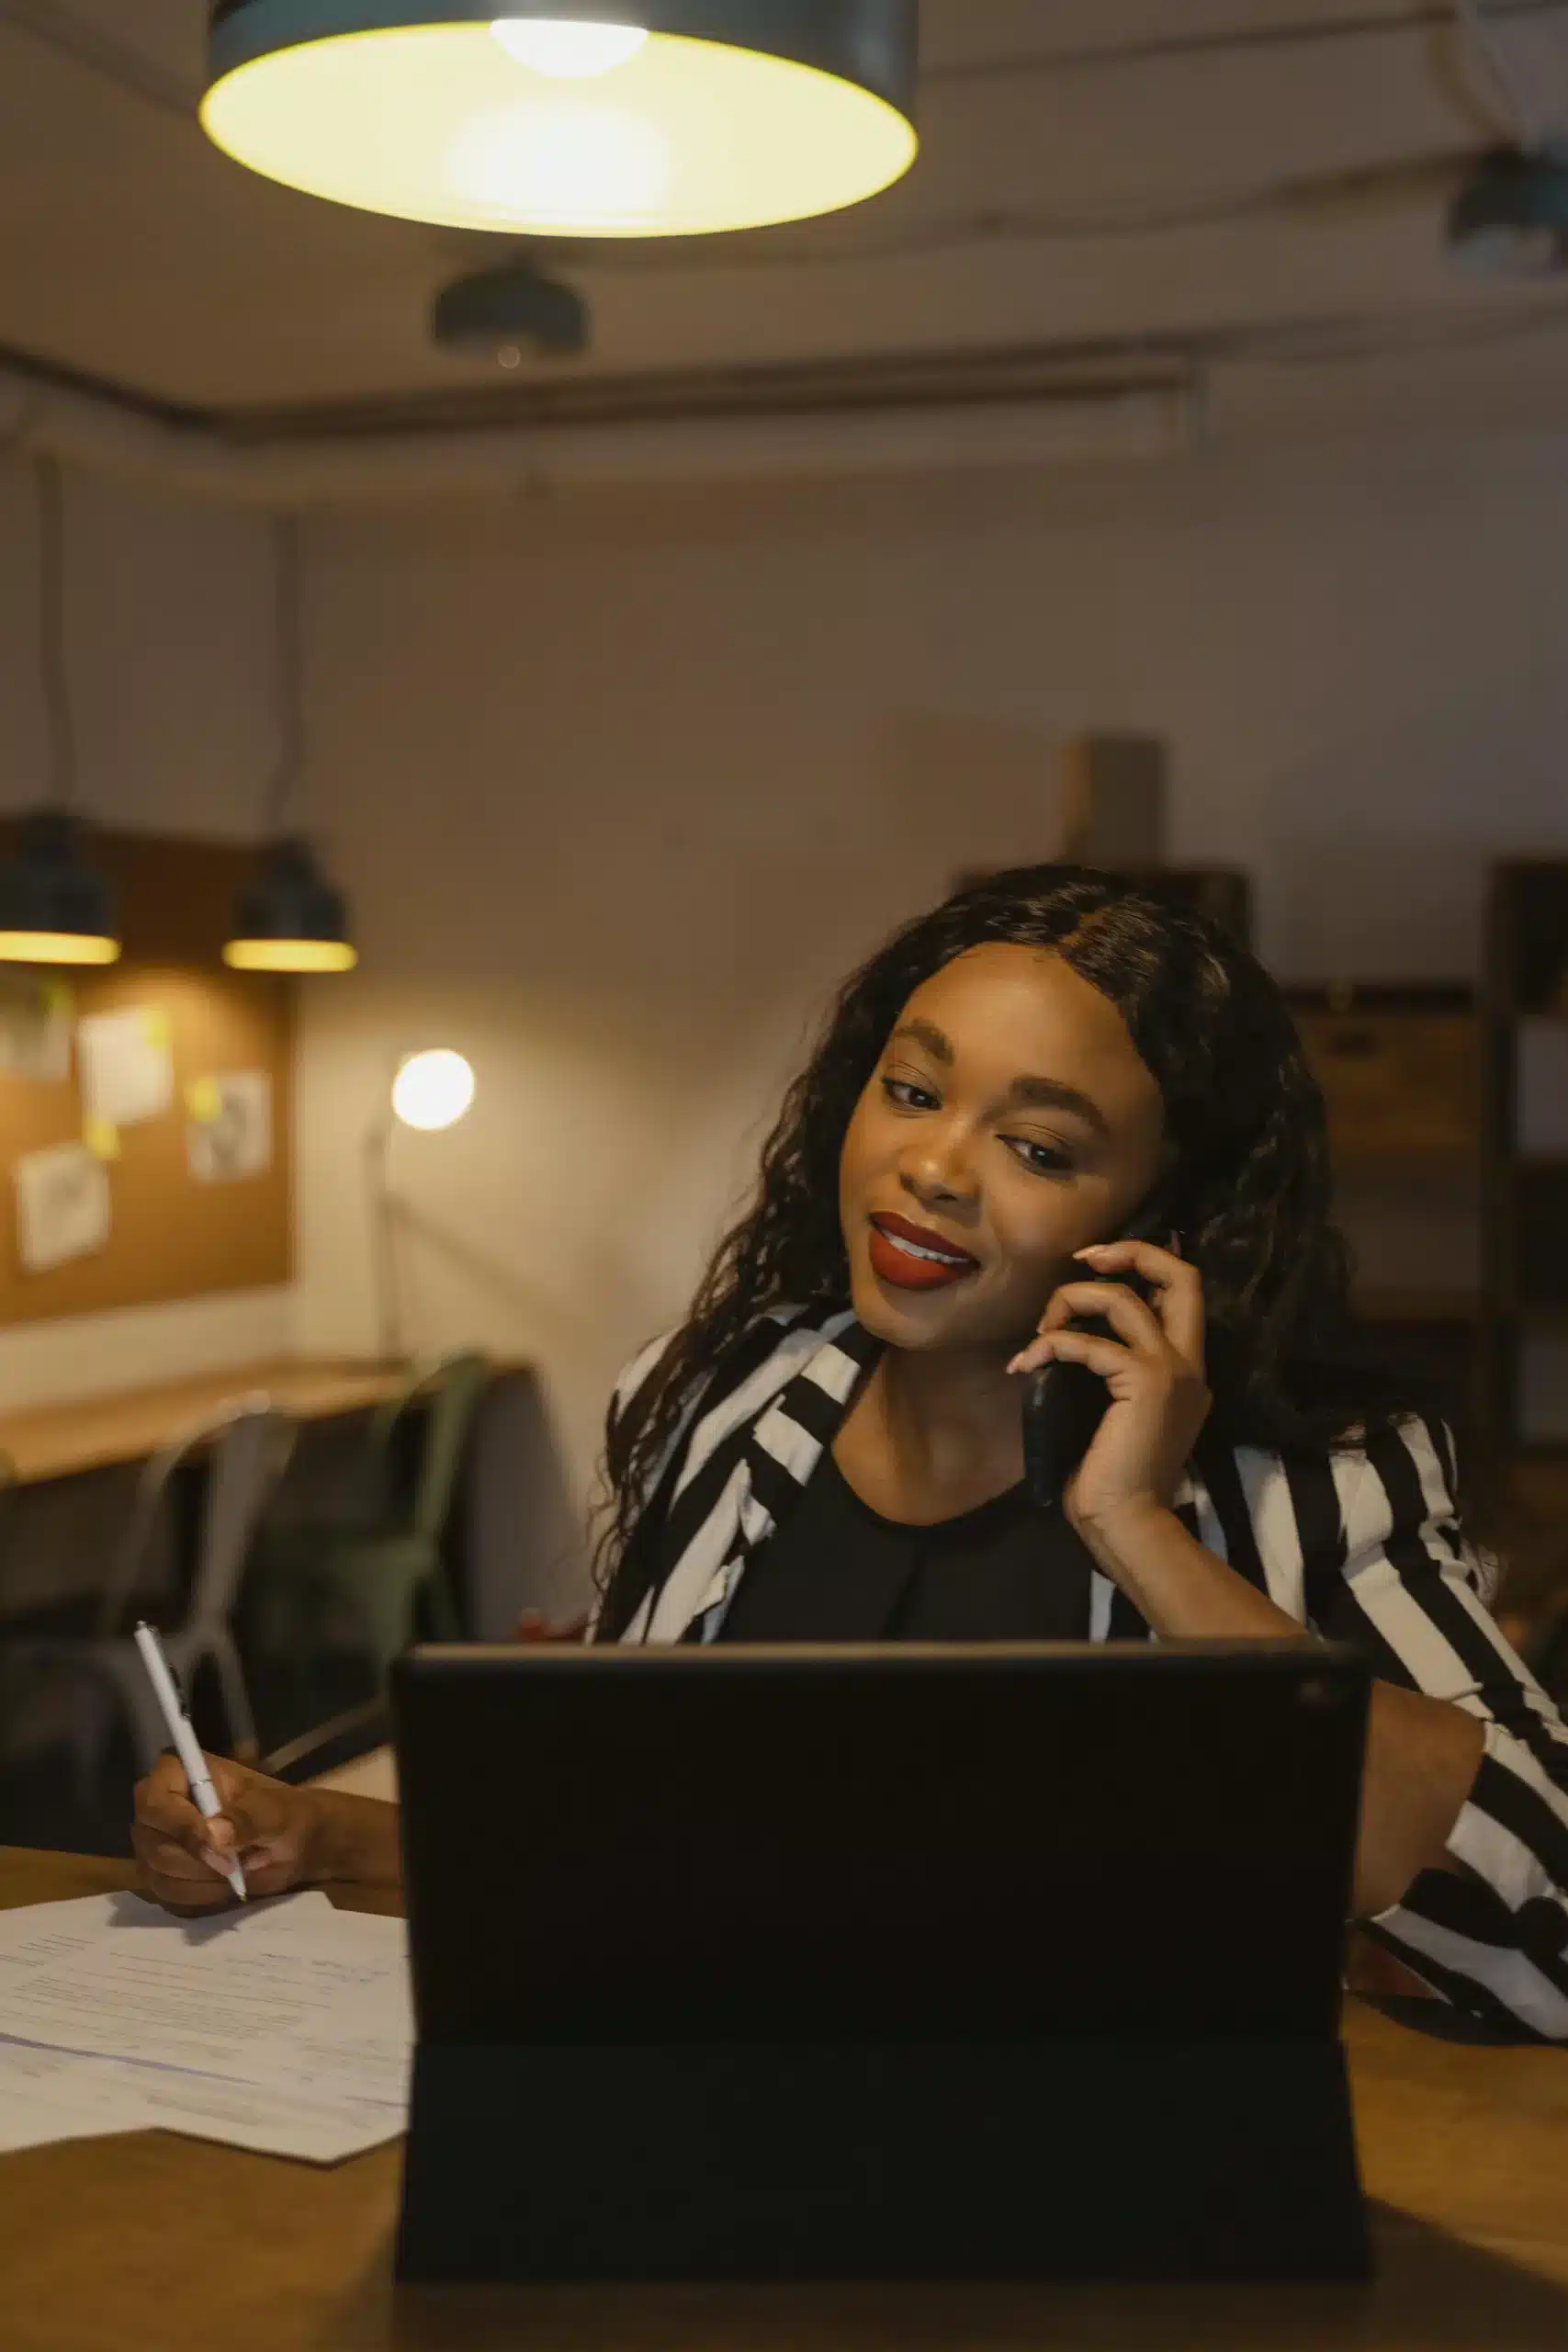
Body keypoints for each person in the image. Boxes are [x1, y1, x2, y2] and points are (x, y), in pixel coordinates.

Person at [134, 865, 1568, 2039]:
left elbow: (1543, 1915)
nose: (934, 1165)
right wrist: (314, 1839)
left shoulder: (1306, 1481)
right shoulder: (725, 1398)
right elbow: (636, 1851)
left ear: (1159, 1223)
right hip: (705, 2158)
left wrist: (1141, 1529)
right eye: (914, 1088)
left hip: (1099, 2209)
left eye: (1042, 1148)